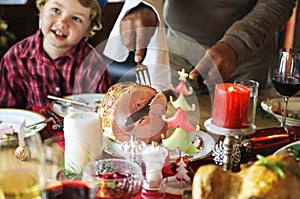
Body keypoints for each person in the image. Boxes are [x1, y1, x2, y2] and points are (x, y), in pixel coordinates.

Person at [103, 0, 296, 93]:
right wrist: (143, 6)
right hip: (179, 48)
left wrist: (236, 44)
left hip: (245, 57)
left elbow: (278, 2)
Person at [0, 0, 111, 109]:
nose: (62, 23)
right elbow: (8, 114)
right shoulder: (14, 59)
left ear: (89, 28)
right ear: (42, 8)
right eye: (56, 10)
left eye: (76, 18)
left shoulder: (94, 66)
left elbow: (105, 112)